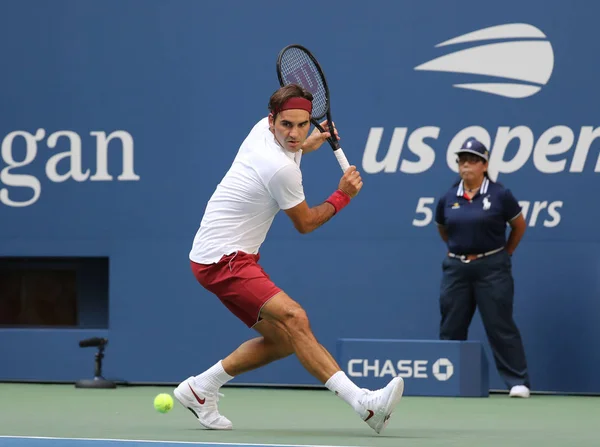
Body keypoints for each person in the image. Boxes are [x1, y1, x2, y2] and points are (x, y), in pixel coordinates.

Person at [174, 84, 404, 434]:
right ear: (272, 121)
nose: (295, 133)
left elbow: (292, 148)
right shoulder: (280, 169)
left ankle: (200, 389)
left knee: (282, 340)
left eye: (302, 125)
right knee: (295, 317)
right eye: (286, 125)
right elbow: (306, 223)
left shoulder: (262, 132)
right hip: (224, 260)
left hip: (217, 255)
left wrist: (310, 145)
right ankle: (364, 405)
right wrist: (343, 195)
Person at [434, 137, 531, 398]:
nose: (466, 166)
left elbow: (519, 226)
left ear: (484, 165)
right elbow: (443, 229)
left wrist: (503, 253)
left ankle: (517, 382)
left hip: (492, 266)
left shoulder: (501, 195)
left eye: (473, 160)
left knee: (500, 324)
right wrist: (460, 251)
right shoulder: (448, 197)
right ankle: (448, 380)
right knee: (451, 326)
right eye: (462, 161)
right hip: (457, 268)